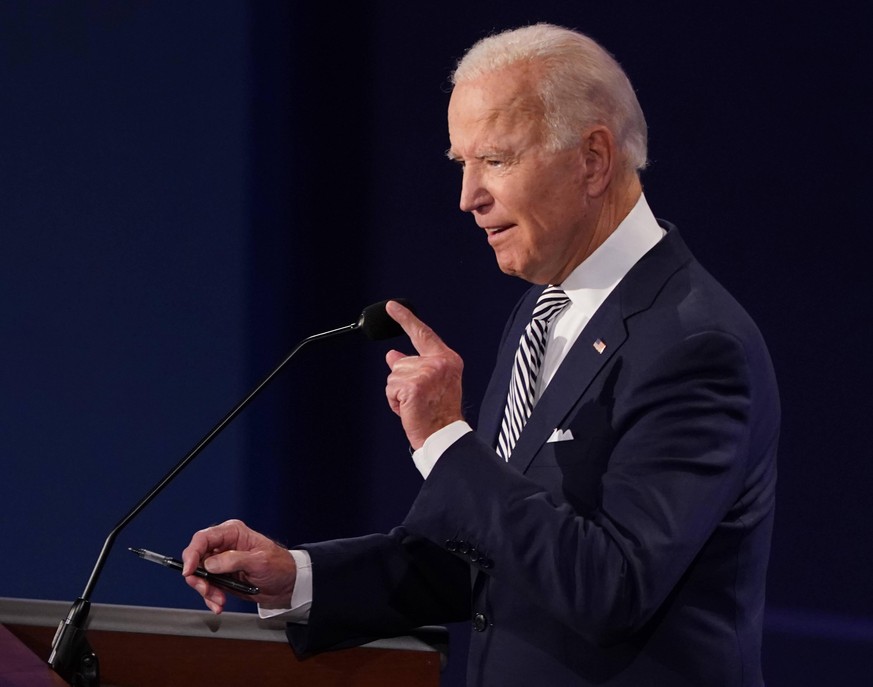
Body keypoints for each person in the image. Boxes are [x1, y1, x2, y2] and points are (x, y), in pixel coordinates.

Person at [181, 23, 779, 686]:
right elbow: (490, 554)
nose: (468, 197)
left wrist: (444, 440)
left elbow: (611, 586)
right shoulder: (543, 313)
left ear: (592, 159)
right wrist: (297, 576)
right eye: (461, 163)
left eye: (494, 159)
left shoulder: (694, 344)